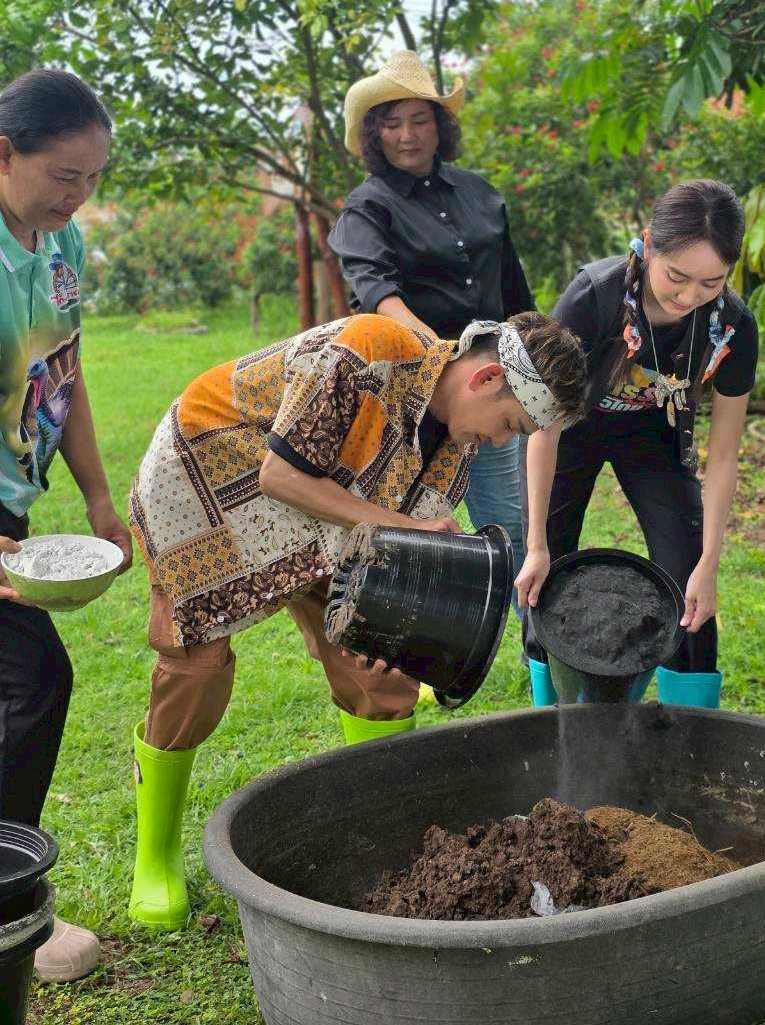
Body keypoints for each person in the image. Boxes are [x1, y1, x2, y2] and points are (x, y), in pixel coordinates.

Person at [127, 310, 586, 930]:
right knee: (198, 672)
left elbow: (393, 555)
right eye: (510, 424)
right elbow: (280, 474)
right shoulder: (366, 351)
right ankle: (154, 856)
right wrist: (402, 526)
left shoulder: (455, 448)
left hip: (330, 519)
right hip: (210, 477)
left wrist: (386, 625)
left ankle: (385, 834)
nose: (504, 440)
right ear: (485, 379)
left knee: (383, 679)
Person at [516, 179, 757, 710]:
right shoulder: (594, 296)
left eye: (711, 282)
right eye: (676, 276)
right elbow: (544, 423)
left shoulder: (733, 326)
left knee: (685, 572)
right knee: (548, 566)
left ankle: (692, 724)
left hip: (653, 431)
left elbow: (722, 457)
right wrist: (535, 542)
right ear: (647, 245)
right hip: (572, 425)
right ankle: (549, 715)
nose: (690, 296)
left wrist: (709, 563)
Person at [0, 69, 133, 982]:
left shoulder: (60, 246)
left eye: (91, 177)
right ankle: (12, 907)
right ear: (2, 154)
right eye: (62, 175)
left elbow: (67, 375)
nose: (78, 194)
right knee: (34, 677)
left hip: (17, 498)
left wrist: (93, 494)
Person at [329, 51, 534, 611]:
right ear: (374, 135)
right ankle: (400, 642)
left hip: (492, 389)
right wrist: (440, 355)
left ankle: (534, 649)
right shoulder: (367, 207)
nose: (407, 135)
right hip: (406, 397)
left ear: (440, 126)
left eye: (419, 119)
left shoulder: (480, 193)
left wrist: (535, 358)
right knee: (407, 525)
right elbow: (377, 293)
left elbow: (513, 291)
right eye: (391, 123)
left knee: (509, 519)